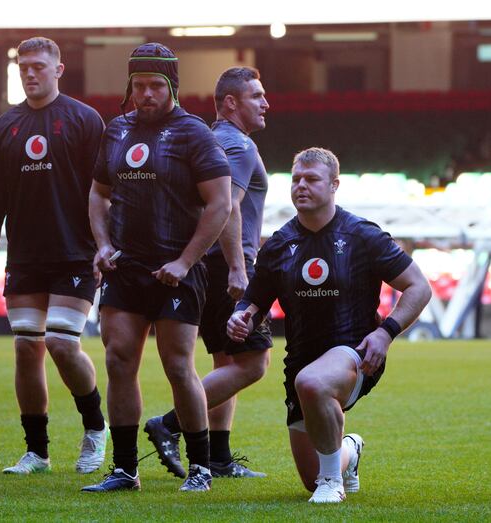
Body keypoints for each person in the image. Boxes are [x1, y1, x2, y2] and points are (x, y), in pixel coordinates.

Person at [227, 147, 432, 503]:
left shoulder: (363, 236)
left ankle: (331, 486)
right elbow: (253, 300)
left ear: (334, 185)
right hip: (300, 362)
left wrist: (386, 333)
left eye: (311, 179)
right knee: (312, 472)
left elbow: (419, 286)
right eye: (295, 179)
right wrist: (241, 316)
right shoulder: (279, 244)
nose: (300, 186)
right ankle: (347, 452)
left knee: (314, 384)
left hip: (355, 355)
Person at [81, 43, 232, 493]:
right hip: (125, 267)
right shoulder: (116, 131)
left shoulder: (193, 133)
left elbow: (220, 202)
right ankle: (126, 469)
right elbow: (97, 194)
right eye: (139, 86)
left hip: (178, 271)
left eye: (156, 85)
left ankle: (201, 467)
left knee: (178, 365)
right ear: (130, 87)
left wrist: (186, 261)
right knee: (118, 358)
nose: (146, 94)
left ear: (173, 87)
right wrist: (104, 244)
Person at [0, 36, 108, 476]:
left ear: (58, 70)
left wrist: (106, 245)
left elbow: (105, 193)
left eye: (39, 66)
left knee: (64, 344)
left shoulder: (85, 121)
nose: (30, 72)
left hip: (75, 254)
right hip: (26, 257)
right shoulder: (3, 127)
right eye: (24, 66)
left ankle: (95, 429)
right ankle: (37, 452)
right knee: (28, 348)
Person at [144, 67, 271, 479]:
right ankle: (170, 423)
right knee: (253, 363)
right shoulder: (238, 144)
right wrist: (238, 266)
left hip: (205, 260)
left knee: (226, 358)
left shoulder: (207, 140)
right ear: (230, 103)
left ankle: (219, 456)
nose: (265, 103)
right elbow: (228, 206)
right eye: (256, 96)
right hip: (225, 263)